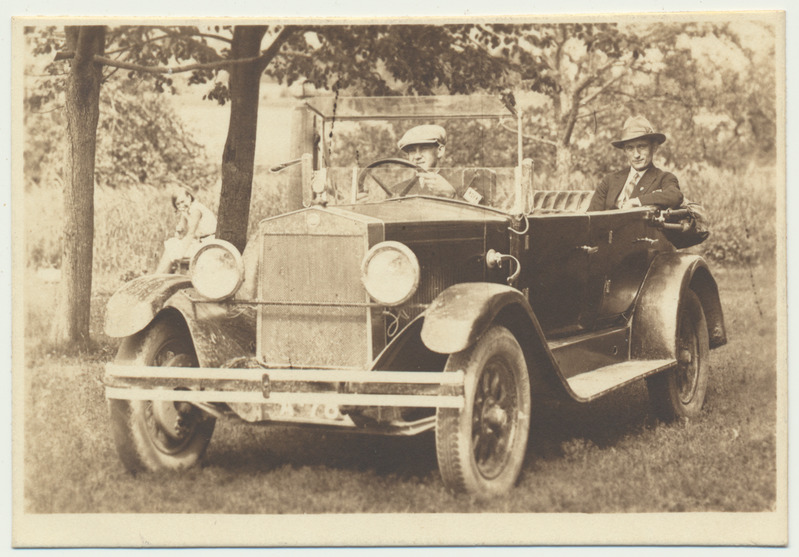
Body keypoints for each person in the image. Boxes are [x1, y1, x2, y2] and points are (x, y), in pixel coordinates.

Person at [588, 116, 683, 212]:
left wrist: (638, 201)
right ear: (624, 151)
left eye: (641, 146)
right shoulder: (610, 181)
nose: (636, 155)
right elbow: (590, 217)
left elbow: (675, 196)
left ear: (654, 148)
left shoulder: (663, 178)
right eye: (630, 148)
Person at [154, 184, 217, 274]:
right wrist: (179, 228)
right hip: (199, 241)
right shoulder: (187, 210)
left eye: (183, 201)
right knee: (171, 244)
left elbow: (191, 232)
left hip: (208, 243)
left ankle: (158, 276)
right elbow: (180, 233)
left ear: (189, 197)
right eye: (178, 204)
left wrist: (181, 252)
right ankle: (161, 277)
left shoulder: (196, 210)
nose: (181, 205)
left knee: (172, 249)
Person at [393, 124, 457, 198]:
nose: (417, 156)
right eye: (412, 150)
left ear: (440, 151)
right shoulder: (397, 190)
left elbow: (472, 208)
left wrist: (451, 194)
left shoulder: (459, 184)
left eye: (424, 148)